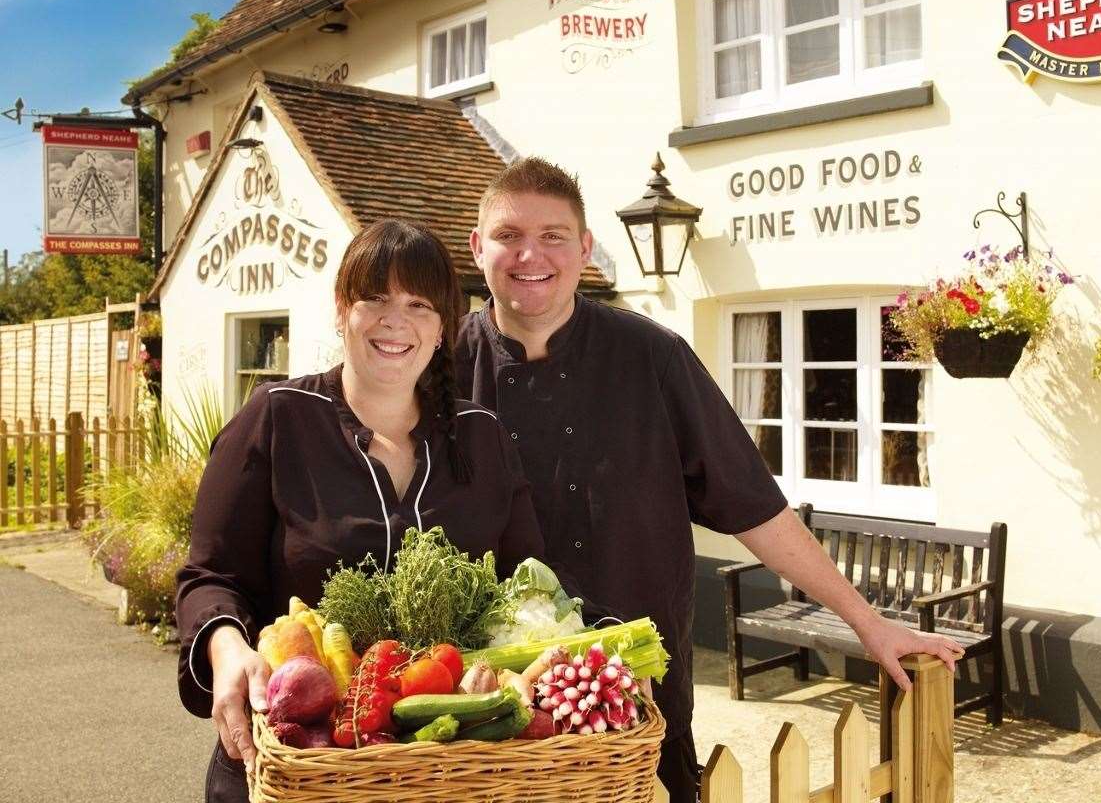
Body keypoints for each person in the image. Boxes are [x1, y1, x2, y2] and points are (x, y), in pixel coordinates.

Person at [456, 158, 965, 803]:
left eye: (554, 235)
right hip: (485, 710)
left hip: (637, 691)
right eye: (509, 235)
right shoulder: (439, 367)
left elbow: (756, 508)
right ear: (479, 247)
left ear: (585, 248)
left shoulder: (654, 357)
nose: (531, 254)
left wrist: (869, 623)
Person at [176, 219, 547, 803]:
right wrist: (227, 648)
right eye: (375, 298)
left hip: (451, 771)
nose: (395, 320)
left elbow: (529, 585)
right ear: (342, 308)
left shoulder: (482, 435)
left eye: (419, 303)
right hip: (300, 758)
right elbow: (210, 577)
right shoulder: (278, 418)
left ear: (443, 325)